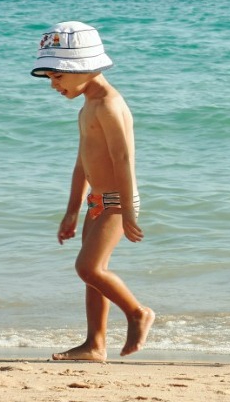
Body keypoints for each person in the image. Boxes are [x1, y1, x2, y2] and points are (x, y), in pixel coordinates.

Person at [31, 20, 155, 362]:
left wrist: (127, 210)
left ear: (83, 68)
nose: (54, 85)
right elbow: (82, 164)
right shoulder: (88, 105)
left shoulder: (108, 105)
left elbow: (123, 159)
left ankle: (137, 313)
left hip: (117, 201)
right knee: (93, 277)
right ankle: (94, 344)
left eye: (58, 76)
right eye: (51, 78)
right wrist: (72, 210)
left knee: (88, 268)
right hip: (96, 201)